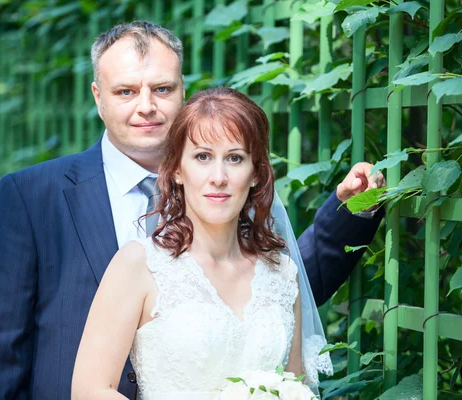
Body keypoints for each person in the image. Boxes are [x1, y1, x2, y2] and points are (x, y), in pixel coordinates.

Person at [0, 21, 384, 400]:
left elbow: (277, 286)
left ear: (182, 89)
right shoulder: (32, 195)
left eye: (162, 89)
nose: (146, 106)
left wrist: (351, 212)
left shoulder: (227, 182)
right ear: (98, 97)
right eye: (126, 91)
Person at [72, 86, 331, 399]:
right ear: (178, 170)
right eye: (203, 157)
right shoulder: (139, 265)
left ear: (255, 174)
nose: (218, 176)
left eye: (235, 158)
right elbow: (90, 390)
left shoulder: (282, 273)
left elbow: (295, 386)